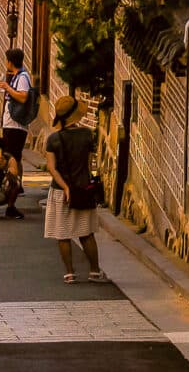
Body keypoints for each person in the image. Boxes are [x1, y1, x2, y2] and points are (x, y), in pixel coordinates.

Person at [42, 96, 107, 285]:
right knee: (86, 233)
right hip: (83, 189)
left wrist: (65, 187)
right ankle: (94, 271)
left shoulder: (53, 139)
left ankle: (69, 273)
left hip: (60, 192)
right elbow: (89, 163)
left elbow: (52, 168)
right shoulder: (87, 135)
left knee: (63, 235)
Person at [0, 47, 39, 161]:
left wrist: (7, 88)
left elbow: (23, 97)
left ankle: (15, 178)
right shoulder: (16, 76)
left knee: (12, 157)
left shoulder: (22, 77)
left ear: (10, 62)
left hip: (15, 125)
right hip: (10, 123)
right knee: (12, 157)